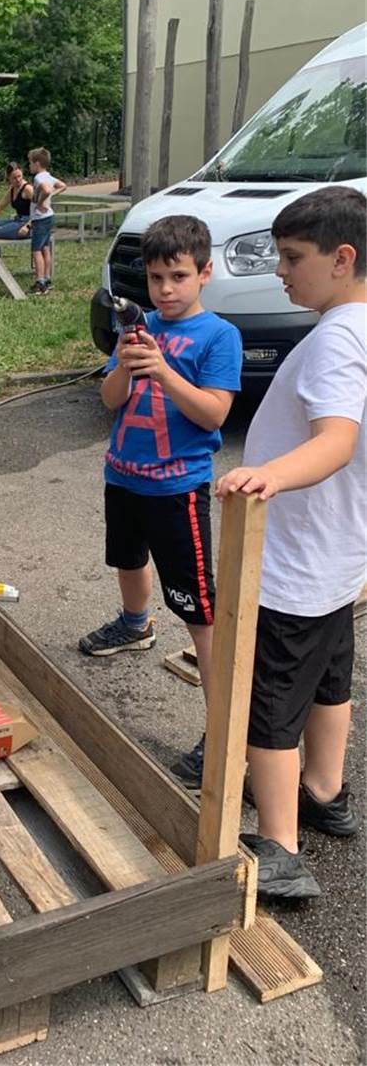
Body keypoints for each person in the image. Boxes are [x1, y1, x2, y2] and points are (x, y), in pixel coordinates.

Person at [215, 186, 365, 899]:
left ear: (343, 259)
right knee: (330, 681)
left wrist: (264, 476)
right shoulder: (360, 326)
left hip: (296, 562)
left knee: (269, 705)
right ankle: (325, 792)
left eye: (292, 258)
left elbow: (336, 441)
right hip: (336, 557)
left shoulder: (338, 335)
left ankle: (278, 846)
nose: (280, 271)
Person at [79, 215, 242, 786]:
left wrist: (165, 372)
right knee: (126, 559)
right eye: (155, 278)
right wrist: (126, 364)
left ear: (204, 273)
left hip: (177, 488)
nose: (165, 290)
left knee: (198, 606)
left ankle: (227, 730)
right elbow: (107, 401)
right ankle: (134, 624)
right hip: (123, 474)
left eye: (177, 276)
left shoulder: (219, 336)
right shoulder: (137, 328)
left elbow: (215, 413)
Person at [27, 147, 66, 295]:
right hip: (49, 217)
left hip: (40, 218)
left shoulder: (38, 178)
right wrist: (50, 198)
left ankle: (40, 282)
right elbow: (63, 186)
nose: (29, 166)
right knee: (45, 249)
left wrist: (41, 202)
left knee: (36, 250)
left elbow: (47, 190)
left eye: (30, 163)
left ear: (37, 163)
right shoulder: (48, 176)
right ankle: (47, 279)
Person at [0, 162, 33, 241]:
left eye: (19, 176)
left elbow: (40, 210)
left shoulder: (28, 189)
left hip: (28, 223)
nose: (18, 180)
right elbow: (0, 205)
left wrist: (28, 226)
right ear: (8, 177)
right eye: (14, 177)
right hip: (18, 220)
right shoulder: (13, 189)